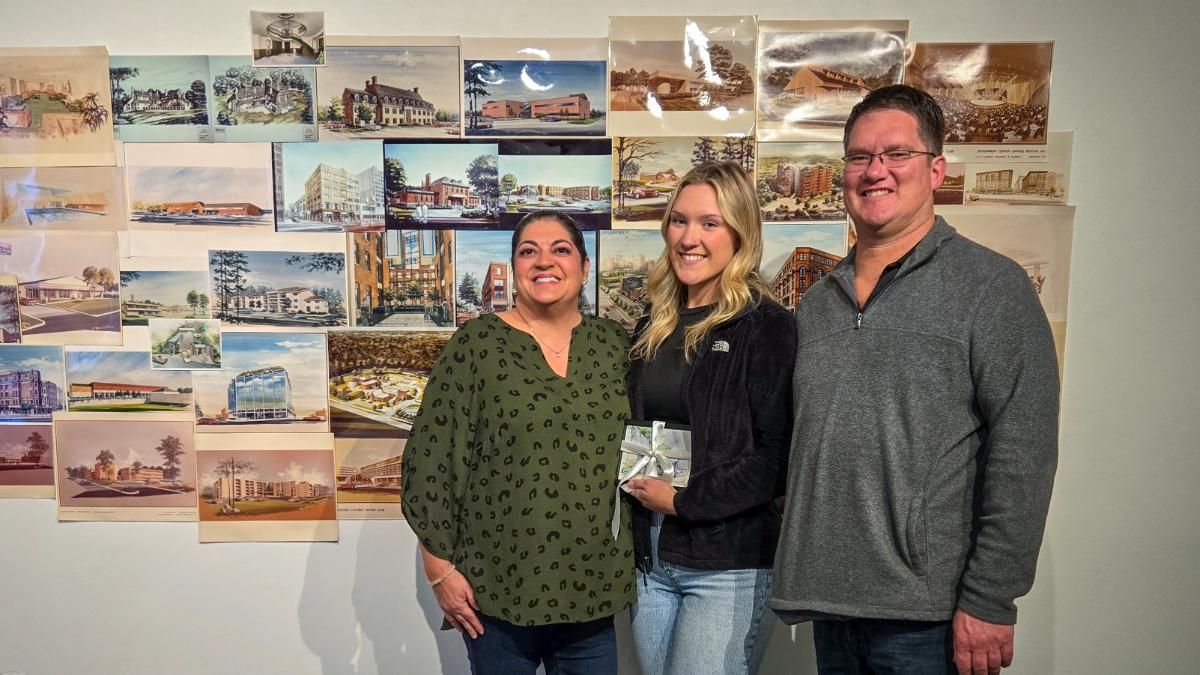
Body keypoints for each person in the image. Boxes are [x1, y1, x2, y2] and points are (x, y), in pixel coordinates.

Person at [770, 84, 1060, 675]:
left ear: (936, 169)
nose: (875, 171)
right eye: (859, 157)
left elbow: (1024, 451)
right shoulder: (818, 303)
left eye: (896, 154)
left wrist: (990, 597)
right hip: (830, 604)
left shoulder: (991, 287)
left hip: (930, 618)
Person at [401, 211, 635, 675]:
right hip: (495, 589)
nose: (544, 261)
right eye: (529, 251)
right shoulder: (477, 345)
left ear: (584, 267)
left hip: (591, 587)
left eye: (560, 250)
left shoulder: (613, 345)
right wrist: (439, 570)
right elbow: (431, 461)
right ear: (514, 266)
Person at [623, 161, 796, 675]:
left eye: (709, 223)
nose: (689, 237)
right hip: (652, 557)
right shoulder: (652, 324)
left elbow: (777, 456)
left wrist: (684, 501)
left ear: (740, 234)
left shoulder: (767, 326)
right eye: (679, 221)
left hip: (728, 564)